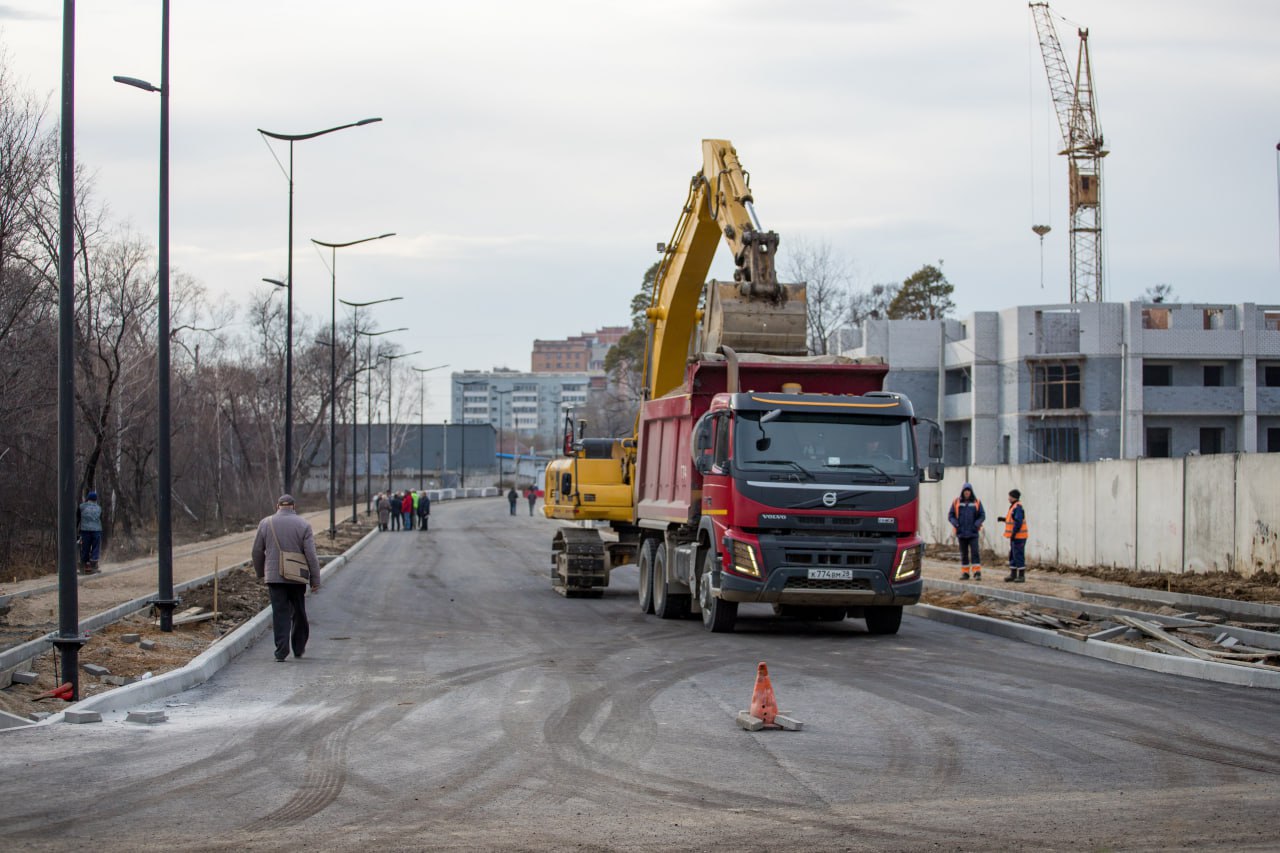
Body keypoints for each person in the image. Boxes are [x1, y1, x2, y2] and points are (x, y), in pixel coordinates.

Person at [251, 494, 321, 662]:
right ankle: (298, 647)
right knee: (298, 610)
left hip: (274, 577)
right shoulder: (304, 525)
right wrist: (315, 579)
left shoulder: (265, 523)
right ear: (293, 507)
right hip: (297, 576)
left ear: (277, 506)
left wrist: (262, 572)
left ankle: (281, 651)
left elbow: (256, 551)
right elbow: (311, 555)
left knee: (280, 612)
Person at [947, 483, 985, 581]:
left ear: (971, 492)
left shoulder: (977, 502)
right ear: (963, 492)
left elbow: (982, 515)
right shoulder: (956, 502)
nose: (967, 492)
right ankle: (965, 572)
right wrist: (956, 524)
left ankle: (977, 572)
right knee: (964, 554)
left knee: (975, 553)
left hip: (973, 533)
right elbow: (951, 515)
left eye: (968, 491)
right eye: (965, 491)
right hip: (961, 533)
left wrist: (976, 524)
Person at [998, 489, 1028, 583]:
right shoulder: (1014, 507)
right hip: (1015, 536)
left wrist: (1014, 533)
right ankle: (1013, 574)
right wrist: (1003, 519)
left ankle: (1021, 576)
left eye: (1010, 496)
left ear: (1013, 497)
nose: (1008, 498)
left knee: (1018, 555)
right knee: (1013, 555)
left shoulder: (1017, 507)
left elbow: (1018, 522)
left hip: (1019, 536)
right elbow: (1012, 520)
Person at [77, 490, 104, 575]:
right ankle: (94, 566)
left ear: (87, 498)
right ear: (96, 499)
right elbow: (100, 519)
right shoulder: (99, 508)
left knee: (85, 547)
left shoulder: (81, 507)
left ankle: (84, 566)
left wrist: (75, 531)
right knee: (95, 547)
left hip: (85, 530)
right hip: (97, 530)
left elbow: (77, 519)